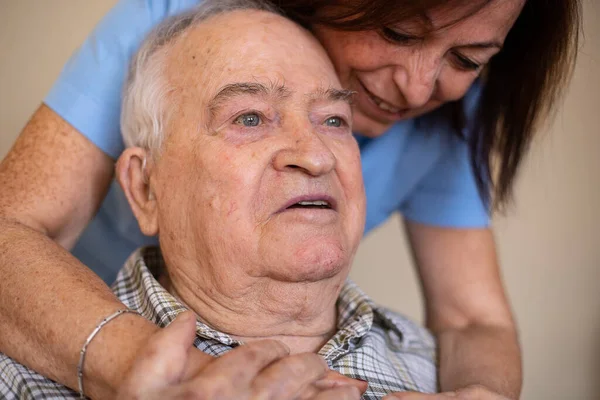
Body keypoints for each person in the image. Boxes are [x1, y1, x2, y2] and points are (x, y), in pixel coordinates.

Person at [0, 0, 580, 398]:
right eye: (399, 33)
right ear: (144, 185)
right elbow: (10, 229)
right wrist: (154, 370)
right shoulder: (173, 17)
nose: (419, 87)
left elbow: (472, 317)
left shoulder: (446, 118)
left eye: (467, 59)